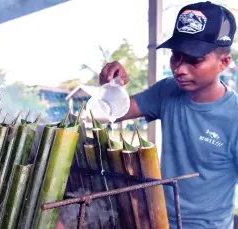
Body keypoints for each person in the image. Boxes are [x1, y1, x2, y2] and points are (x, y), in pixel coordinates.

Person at [99, 1, 238, 229]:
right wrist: (111, 86)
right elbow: (112, 112)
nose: (180, 69)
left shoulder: (234, 117)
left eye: (194, 60)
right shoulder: (167, 90)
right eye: (176, 56)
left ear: (223, 62)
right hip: (157, 220)